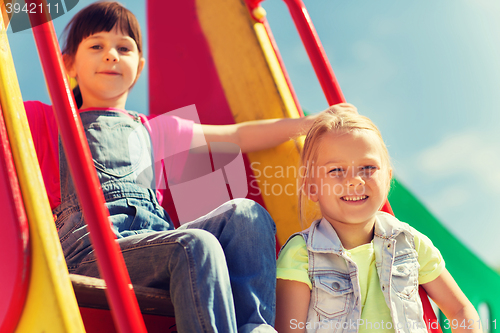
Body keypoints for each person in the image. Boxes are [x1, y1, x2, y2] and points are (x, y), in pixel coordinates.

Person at [23, 2, 333, 332]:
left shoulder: (156, 130)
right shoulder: (46, 121)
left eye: (124, 48)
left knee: (247, 215)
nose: (111, 55)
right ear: (66, 64)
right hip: (91, 252)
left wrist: (310, 123)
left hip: (153, 242)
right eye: (96, 46)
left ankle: (254, 327)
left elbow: (238, 135)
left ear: (138, 66)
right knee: (195, 244)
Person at [274, 106, 482, 333]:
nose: (354, 180)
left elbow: (461, 310)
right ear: (312, 187)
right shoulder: (301, 253)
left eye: (368, 167)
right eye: (336, 170)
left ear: (387, 179)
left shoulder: (409, 243)